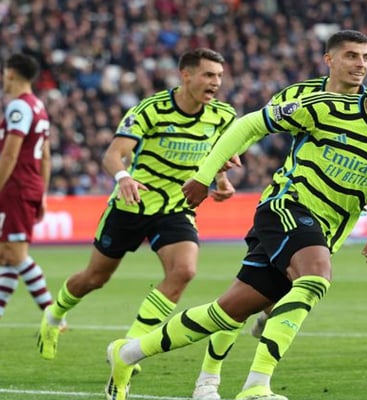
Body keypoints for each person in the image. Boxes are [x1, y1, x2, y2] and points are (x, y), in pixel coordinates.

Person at [103, 49, 367, 400]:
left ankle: (127, 354)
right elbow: (249, 124)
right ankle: (256, 385)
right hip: (287, 207)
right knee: (316, 277)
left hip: (325, 230)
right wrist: (205, 175)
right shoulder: (327, 107)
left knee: (227, 313)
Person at [191, 30, 367, 400]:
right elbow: (253, 125)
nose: (361, 65)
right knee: (244, 301)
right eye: (352, 56)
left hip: (333, 224)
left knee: (260, 299)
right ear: (330, 59)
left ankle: (247, 364)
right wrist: (220, 166)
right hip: (288, 208)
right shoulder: (300, 95)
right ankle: (212, 380)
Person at [36, 48, 239, 361]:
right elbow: (112, 155)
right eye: (208, 75)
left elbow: (217, 154)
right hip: (132, 204)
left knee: (183, 271)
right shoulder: (151, 109)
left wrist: (222, 181)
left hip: (175, 207)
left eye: (219, 77)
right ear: (186, 75)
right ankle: (54, 314)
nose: (216, 82)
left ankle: (128, 350)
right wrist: (123, 177)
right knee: (95, 278)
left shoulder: (223, 115)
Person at [0, 53, 55, 320]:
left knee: (16, 253)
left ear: (10, 73)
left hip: (16, 187)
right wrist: (42, 193)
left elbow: (9, 154)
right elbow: (45, 155)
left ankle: (54, 315)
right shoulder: (38, 107)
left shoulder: (18, 107)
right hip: (29, 185)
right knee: (4, 254)